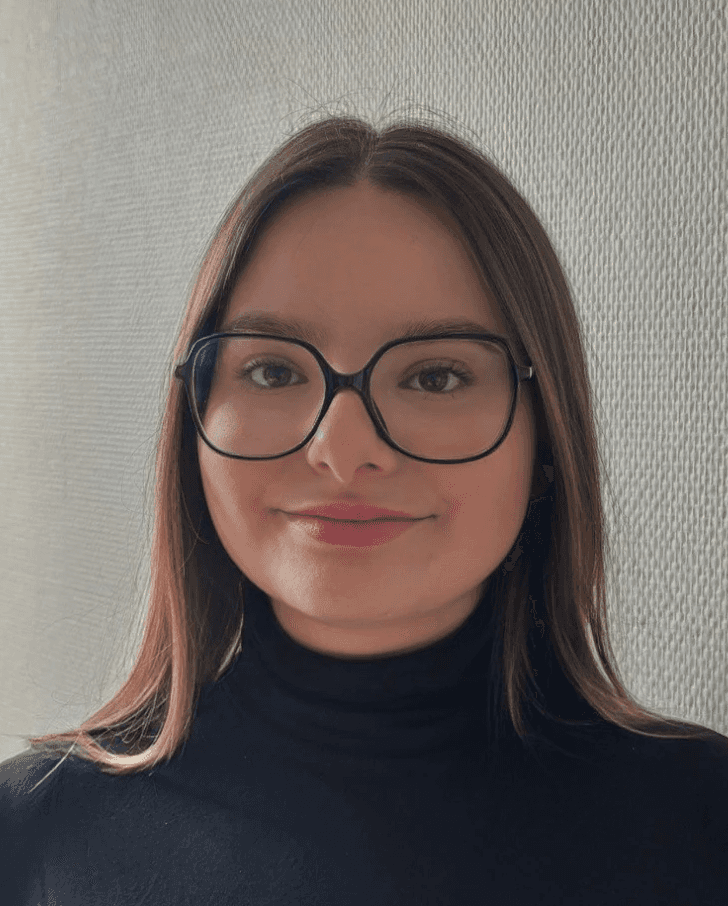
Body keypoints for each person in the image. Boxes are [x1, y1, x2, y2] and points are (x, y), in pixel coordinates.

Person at [1, 114, 726, 904]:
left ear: (547, 440)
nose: (344, 453)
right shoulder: (32, 832)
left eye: (436, 377)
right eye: (274, 372)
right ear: (195, 427)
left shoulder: (704, 823)